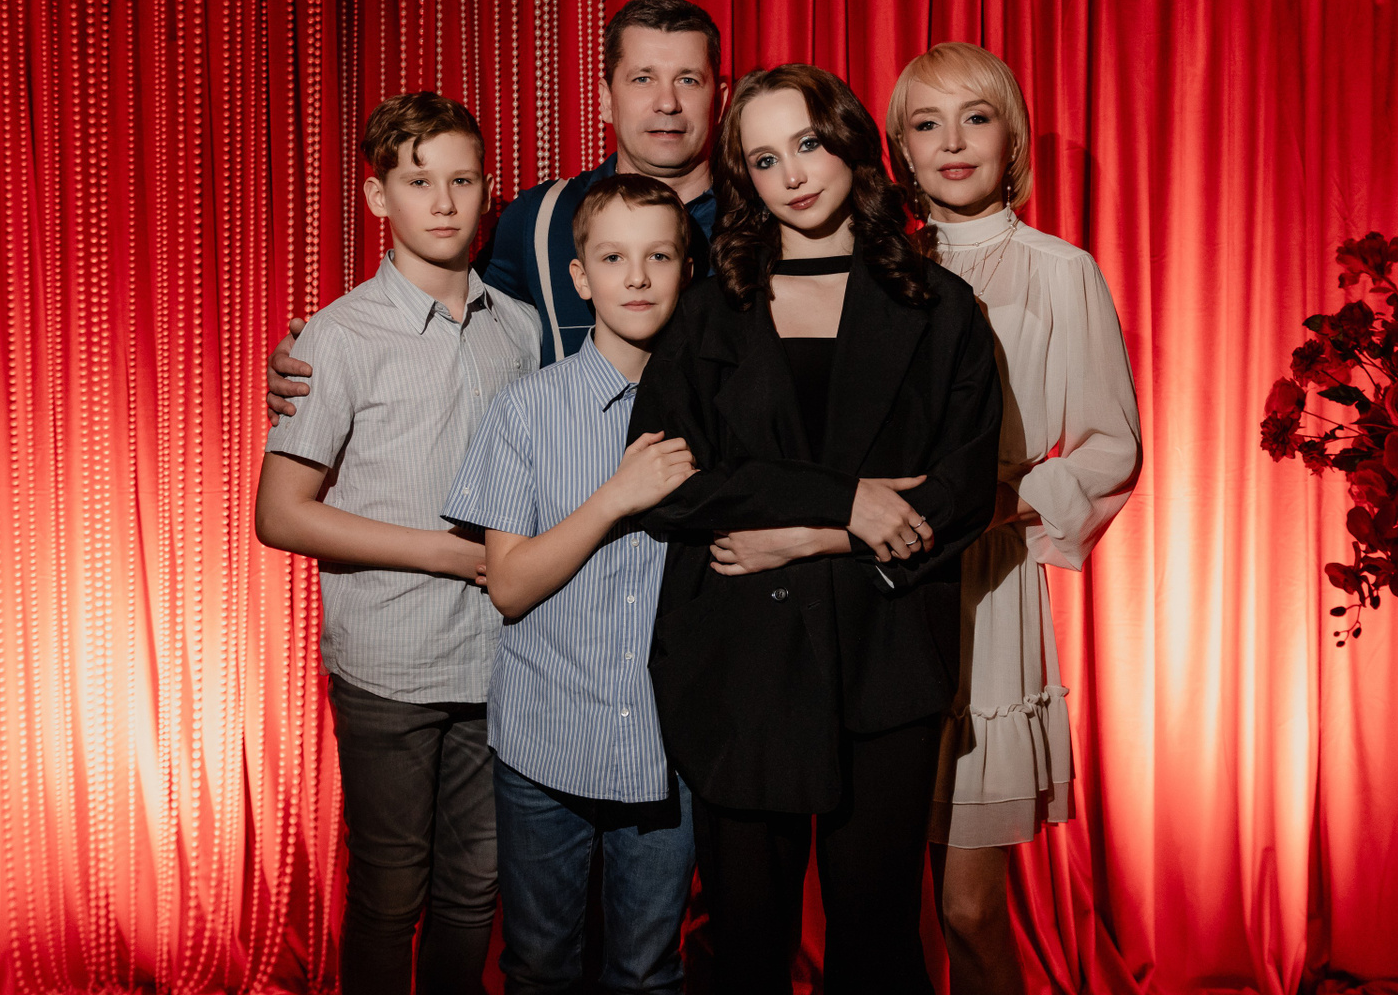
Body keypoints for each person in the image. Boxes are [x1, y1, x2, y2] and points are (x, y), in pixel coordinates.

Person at [627, 64, 1003, 994]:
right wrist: (844, 500)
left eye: (806, 144)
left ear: (848, 143)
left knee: (877, 941)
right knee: (745, 944)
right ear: (744, 179)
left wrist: (815, 534)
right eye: (763, 159)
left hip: (886, 655)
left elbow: (960, 493)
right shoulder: (708, 311)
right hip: (740, 663)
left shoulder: (940, 306)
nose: (792, 174)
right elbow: (669, 485)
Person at [254, 93, 540, 995]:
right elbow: (281, 514)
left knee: (474, 889)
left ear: (488, 191)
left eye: (463, 181)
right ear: (379, 197)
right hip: (390, 662)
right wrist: (447, 553)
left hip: (499, 662)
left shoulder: (520, 329)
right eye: (419, 182)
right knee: (389, 891)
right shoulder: (338, 336)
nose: (444, 203)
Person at [883, 43, 1142, 994]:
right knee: (885, 909)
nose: (953, 142)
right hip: (879, 588)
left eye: (976, 118)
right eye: (927, 123)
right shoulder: (879, 269)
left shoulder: (1061, 271)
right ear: (901, 153)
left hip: (987, 595)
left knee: (968, 907)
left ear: (1012, 139)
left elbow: (1112, 445)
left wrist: (1000, 501)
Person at [442, 174, 699, 994]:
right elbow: (510, 586)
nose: (638, 277)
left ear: (687, 269)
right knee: (542, 968)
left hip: (667, 746)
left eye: (660, 257)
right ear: (580, 277)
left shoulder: (714, 411)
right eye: (614, 258)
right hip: (545, 739)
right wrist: (617, 495)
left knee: (648, 972)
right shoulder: (526, 410)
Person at [265, 0, 725, 419]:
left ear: (720, 100)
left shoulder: (758, 222)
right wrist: (323, 354)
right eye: (643, 78)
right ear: (605, 100)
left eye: (688, 80)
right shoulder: (539, 218)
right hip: (572, 476)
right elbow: (450, 313)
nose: (667, 102)